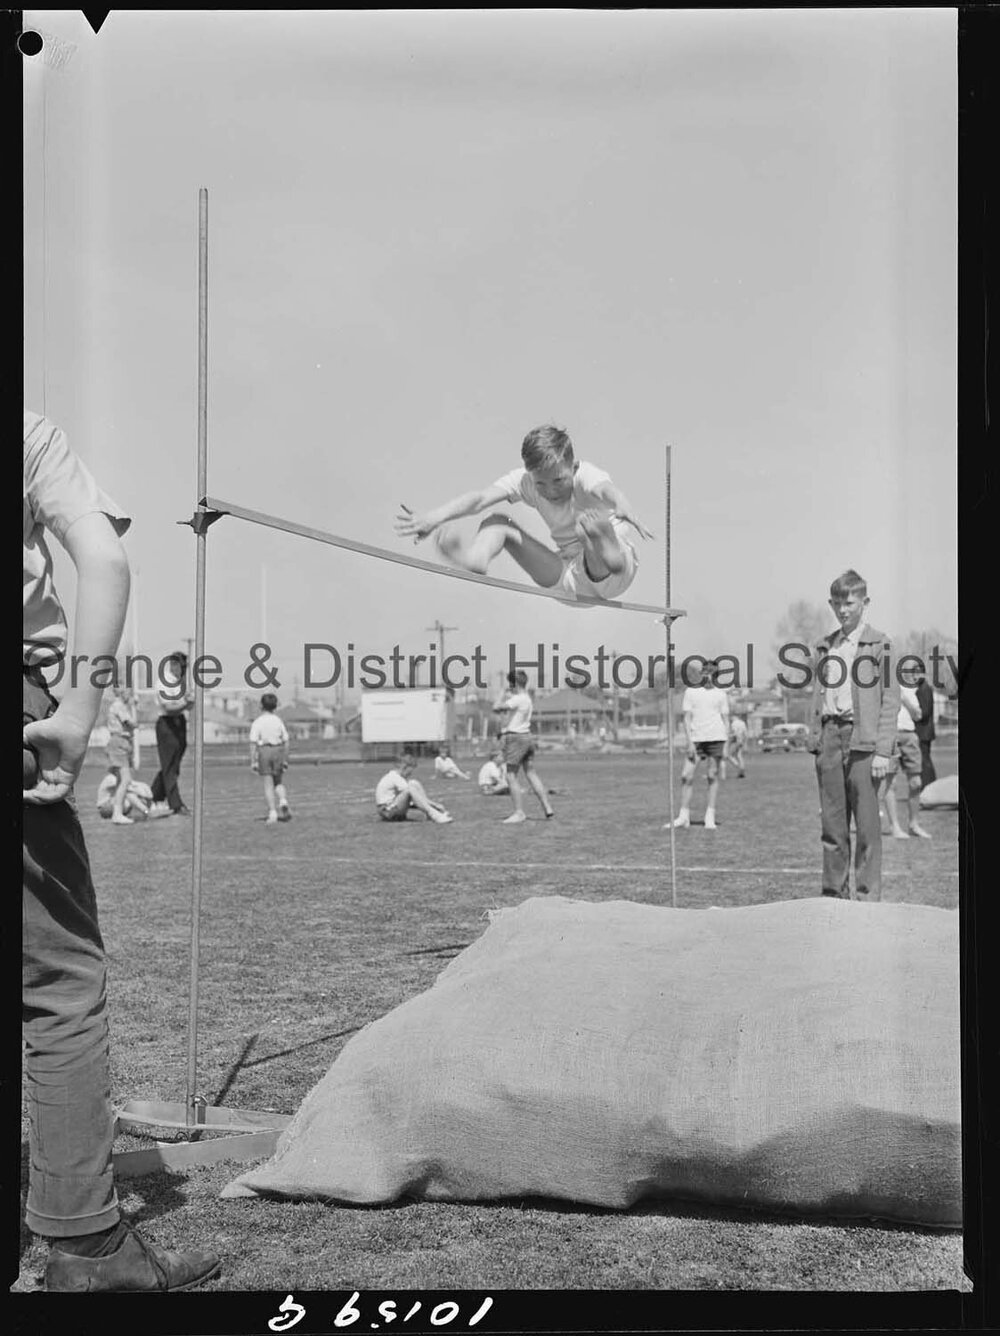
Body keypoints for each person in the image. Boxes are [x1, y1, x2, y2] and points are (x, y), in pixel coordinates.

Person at [22, 411, 220, 1291]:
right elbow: (104, 558)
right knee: (59, 983)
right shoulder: (29, 433)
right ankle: (89, 1249)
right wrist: (77, 710)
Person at [395, 423, 653, 603]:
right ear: (530, 474)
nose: (550, 491)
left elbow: (606, 489)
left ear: (572, 467)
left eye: (559, 480)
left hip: (617, 570)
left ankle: (601, 544)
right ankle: (476, 558)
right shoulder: (523, 480)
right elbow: (480, 499)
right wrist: (434, 517)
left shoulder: (585, 474)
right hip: (569, 582)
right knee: (498, 523)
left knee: (586, 529)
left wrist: (622, 504)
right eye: (541, 484)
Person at [805, 569, 899, 901]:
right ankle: (833, 897)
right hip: (829, 737)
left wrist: (883, 751)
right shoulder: (824, 646)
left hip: (864, 742)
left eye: (850, 603)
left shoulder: (880, 644)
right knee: (832, 827)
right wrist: (816, 737)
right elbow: (818, 695)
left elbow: (890, 700)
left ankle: (867, 899)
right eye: (837, 603)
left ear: (864, 602)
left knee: (868, 828)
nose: (843, 610)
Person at [667, 661, 729, 831]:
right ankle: (683, 817)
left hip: (716, 738)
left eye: (711, 673)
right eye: (705, 672)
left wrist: (726, 744)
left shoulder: (721, 694)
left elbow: (726, 720)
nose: (707, 675)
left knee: (712, 776)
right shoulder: (691, 692)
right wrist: (689, 742)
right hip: (696, 740)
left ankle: (710, 816)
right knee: (686, 776)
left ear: (716, 675)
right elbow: (686, 718)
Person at [492, 670, 554, 824]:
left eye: (510, 683)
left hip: (516, 738)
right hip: (527, 737)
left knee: (510, 775)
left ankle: (519, 813)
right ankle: (547, 808)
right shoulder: (527, 698)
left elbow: (496, 707)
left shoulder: (517, 699)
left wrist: (501, 693)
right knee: (531, 773)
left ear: (514, 683)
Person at [878, 680, 932, 840]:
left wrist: (902, 697)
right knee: (890, 783)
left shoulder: (909, 689)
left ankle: (914, 824)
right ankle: (894, 826)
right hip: (889, 735)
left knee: (916, 783)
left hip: (909, 736)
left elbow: (918, 715)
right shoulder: (881, 687)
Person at [148, 651, 193, 817]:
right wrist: (186, 704)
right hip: (167, 724)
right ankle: (176, 804)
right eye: (182, 666)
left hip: (179, 722)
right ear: (174, 665)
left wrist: (189, 702)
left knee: (174, 767)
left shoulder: (181, 682)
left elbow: (187, 703)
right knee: (169, 767)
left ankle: (153, 795)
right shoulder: (164, 682)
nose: (184, 670)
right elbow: (168, 708)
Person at [249, 692, 292, 824]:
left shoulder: (258, 722)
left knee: (268, 784)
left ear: (261, 705)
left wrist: (253, 760)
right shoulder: (278, 721)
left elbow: (253, 742)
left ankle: (272, 813)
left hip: (265, 751)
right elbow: (286, 740)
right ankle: (283, 801)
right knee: (278, 781)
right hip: (278, 750)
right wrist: (285, 758)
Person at [375, 753, 453, 823]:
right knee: (410, 789)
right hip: (388, 812)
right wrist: (435, 805)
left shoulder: (396, 777)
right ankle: (435, 815)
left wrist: (433, 805)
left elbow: (415, 801)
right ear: (404, 767)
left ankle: (432, 813)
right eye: (410, 771)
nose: (410, 774)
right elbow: (414, 797)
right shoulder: (395, 777)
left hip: (392, 809)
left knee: (414, 783)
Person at [105, 683, 138, 824]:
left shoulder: (120, 706)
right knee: (125, 779)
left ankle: (118, 811)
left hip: (123, 742)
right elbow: (130, 723)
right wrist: (134, 715)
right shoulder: (118, 706)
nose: (129, 693)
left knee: (121, 780)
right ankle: (117, 813)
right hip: (119, 742)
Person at [914, 670, 937, 790]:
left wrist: (914, 714)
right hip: (925, 731)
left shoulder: (924, 689)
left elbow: (925, 712)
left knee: (924, 759)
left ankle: (928, 784)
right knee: (925, 758)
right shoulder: (924, 688)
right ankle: (930, 783)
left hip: (924, 731)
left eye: (917, 674)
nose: (914, 677)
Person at [729, 714, 748, 779]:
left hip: (736, 741)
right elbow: (745, 733)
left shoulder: (734, 724)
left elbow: (735, 733)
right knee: (739, 755)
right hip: (741, 740)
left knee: (729, 755)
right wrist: (745, 742)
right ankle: (742, 771)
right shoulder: (742, 723)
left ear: (734, 717)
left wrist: (729, 736)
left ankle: (739, 768)